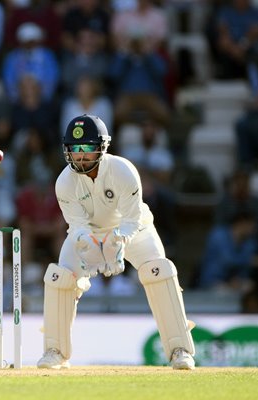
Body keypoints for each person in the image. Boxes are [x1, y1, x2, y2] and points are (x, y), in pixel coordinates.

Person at [36, 114, 196, 370]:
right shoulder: (64, 182)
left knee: (160, 271)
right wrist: (88, 243)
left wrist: (117, 241)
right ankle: (55, 352)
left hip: (134, 230)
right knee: (60, 277)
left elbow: (132, 220)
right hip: (88, 232)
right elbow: (76, 226)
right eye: (74, 149)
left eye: (87, 148)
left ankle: (180, 350)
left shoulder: (123, 170)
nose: (80, 155)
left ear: (102, 147)